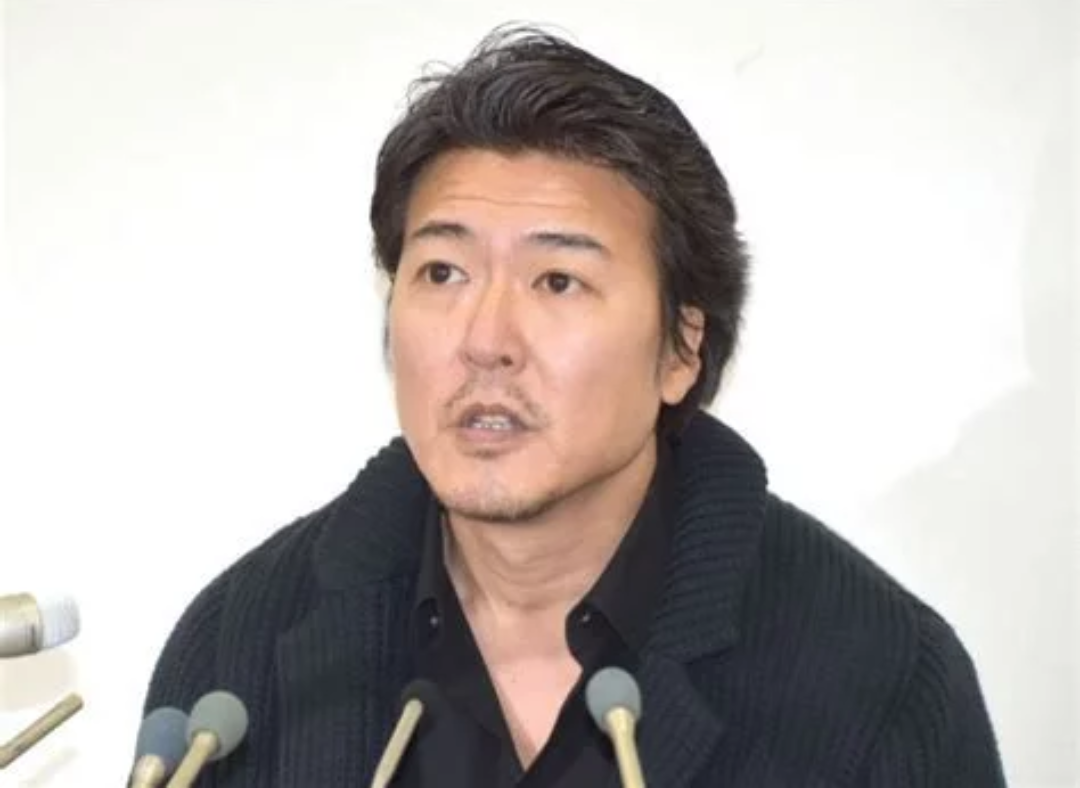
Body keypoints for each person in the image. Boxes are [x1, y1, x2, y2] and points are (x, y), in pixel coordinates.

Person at [142, 25, 1006, 787]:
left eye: (558, 280)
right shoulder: (239, 655)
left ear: (682, 349)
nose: (486, 339)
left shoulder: (879, 679)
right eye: (443, 272)